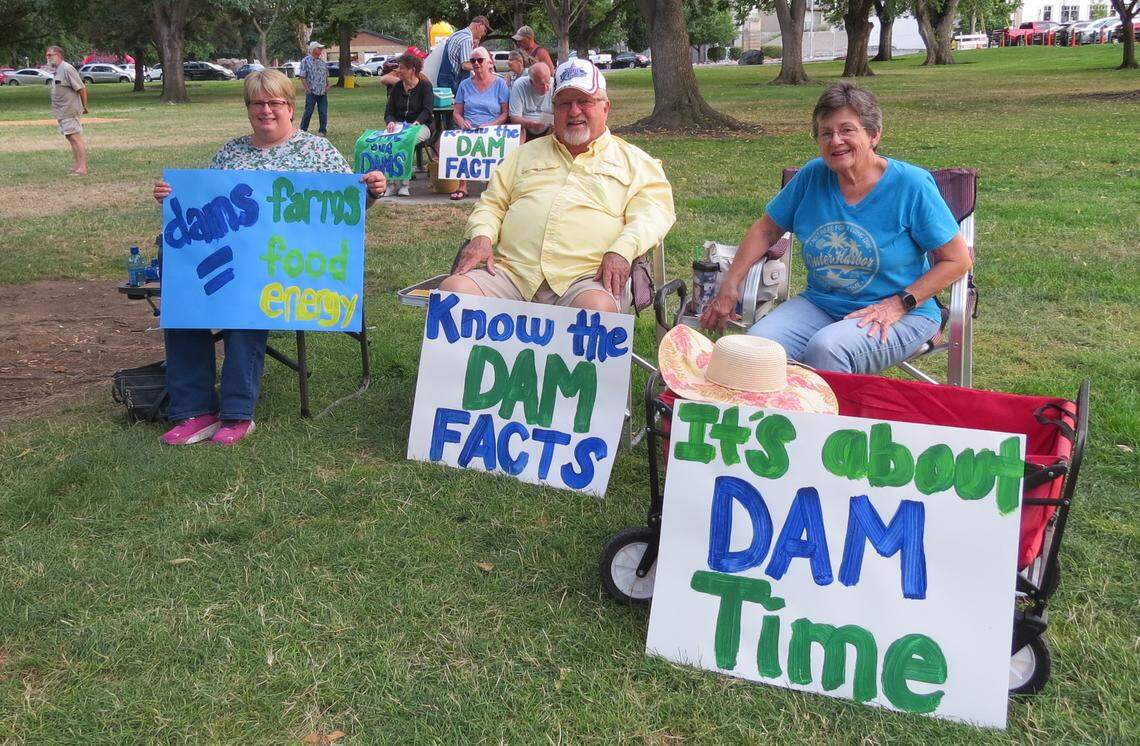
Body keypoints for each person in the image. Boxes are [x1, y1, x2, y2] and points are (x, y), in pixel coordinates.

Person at [151, 70, 387, 446]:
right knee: (186, 292)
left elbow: (348, 211)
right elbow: (207, 207)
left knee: (246, 298)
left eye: (275, 103)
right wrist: (173, 199)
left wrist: (372, 192)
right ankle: (193, 409)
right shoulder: (231, 152)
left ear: (290, 108)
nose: (266, 110)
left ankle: (236, 412)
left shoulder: (317, 152)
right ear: (248, 109)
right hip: (231, 263)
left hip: (288, 268)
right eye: (257, 103)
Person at [701, 81, 972, 375]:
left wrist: (898, 304)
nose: (835, 141)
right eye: (825, 132)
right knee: (757, 348)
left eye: (847, 130)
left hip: (903, 312)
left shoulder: (912, 185)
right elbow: (766, 230)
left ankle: (828, 421)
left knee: (827, 349)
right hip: (820, 304)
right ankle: (778, 417)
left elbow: (957, 260)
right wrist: (730, 285)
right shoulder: (811, 177)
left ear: (873, 134)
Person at [439, 59, 675, 314]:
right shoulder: (523, 155)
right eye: (564, 103)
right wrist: (482, 236)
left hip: (587, 280)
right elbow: (492, 204)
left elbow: (653, 215)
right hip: (514, 275)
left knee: (596, 310)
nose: (574, 111)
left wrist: (622, 250)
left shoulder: (636, 162)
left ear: (605, 107)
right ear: (554, 109)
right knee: (454, 293)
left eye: (584, 101)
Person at [450, 46, 509, 201]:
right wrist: (462, 122)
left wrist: (491, 124)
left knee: (491, 141)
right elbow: (456, 112)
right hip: (469, 128)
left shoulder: (500, 84)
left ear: (489, 63)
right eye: (473, 60)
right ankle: (462, 186)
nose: (476, 63)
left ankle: (492, 186)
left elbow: (505, 113)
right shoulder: (464, 85)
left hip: (492, 127)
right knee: (459, 140)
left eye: (479, 60)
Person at [383, 52, 434, 197]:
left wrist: (416, 123)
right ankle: (391, 184)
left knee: (406, 141)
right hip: (399, 125)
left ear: (412, 70)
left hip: (421, 126)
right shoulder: (397, 88)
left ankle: (404, 185)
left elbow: (427, 110)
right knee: (388, 141)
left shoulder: (425, 86)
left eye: (401, 68)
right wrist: (391, 122)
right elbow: (389, 112)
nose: (398, 71)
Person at [45, 46, 88, 176]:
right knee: (70, 137)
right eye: (47, 55)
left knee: (75, 137)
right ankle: (77, 166)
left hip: (70, 110)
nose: (47, 57)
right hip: (62, 111)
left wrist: (85, 106)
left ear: (58, 55)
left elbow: (81, 88)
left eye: (50, 55)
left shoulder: (67, 68)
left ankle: (82, 168)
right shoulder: (58, 70)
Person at [436, 15, 490, 94]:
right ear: (479, 25)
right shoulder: (466, 39)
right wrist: (484, 67)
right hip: (451, 82)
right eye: (485, 30)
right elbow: (465, 65)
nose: (484, 34)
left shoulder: (456, 34)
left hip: (443, 79)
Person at [508, 62, 553, 141]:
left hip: (549, 129)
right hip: (525, 129)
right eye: (541, 84)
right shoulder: (520, 85)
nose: (546, 88)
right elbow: (514, 118)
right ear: (531, 82)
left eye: (548, 82)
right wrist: (530, 124)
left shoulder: (554, 84)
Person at [298, 40, 329, 136]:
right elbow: (303, 76)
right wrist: (307, 89)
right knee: (308, 112)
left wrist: (327, 85)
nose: (321, 50)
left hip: (322, 92)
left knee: (323, 112)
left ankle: (322, 131)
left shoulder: (322, 63)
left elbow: (326, 76)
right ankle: (303, 130)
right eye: (319, 48)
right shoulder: (305, 61)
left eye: (321, 49)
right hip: (311, 92)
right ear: (313, 49)